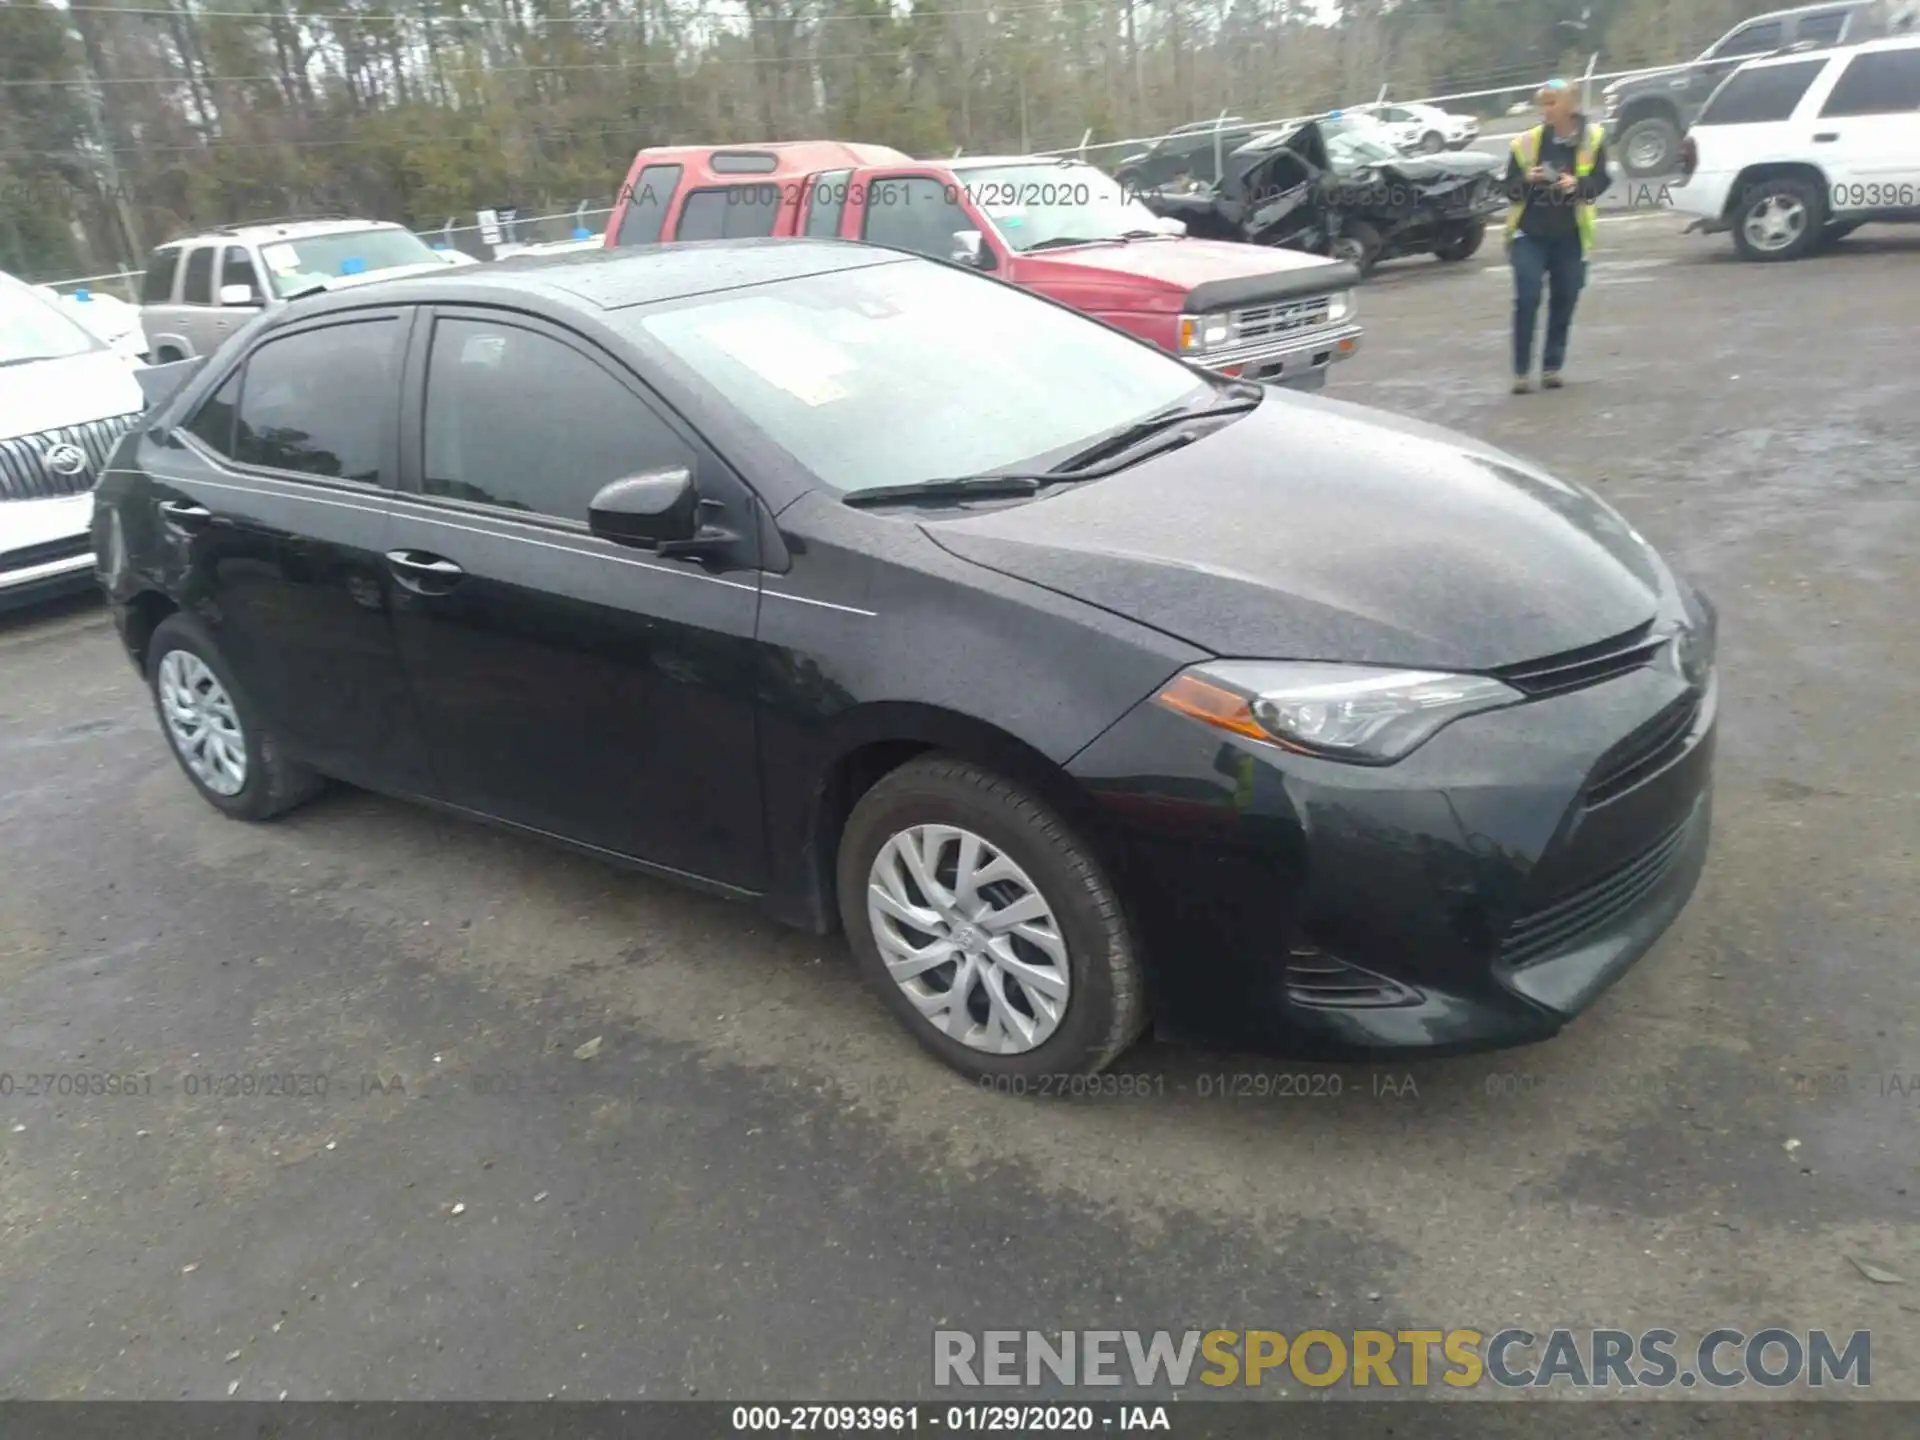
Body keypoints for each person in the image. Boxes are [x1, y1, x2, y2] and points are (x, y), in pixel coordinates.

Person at [1503, 79, 1610, 393]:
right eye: (1543, 103)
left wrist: (1577, 185)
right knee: (1528, 296)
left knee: (1565, 298)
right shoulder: (1526, 143)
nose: (1546, 110)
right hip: (1529, 233)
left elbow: (1602, 181)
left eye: (1552, 103)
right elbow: (1508, 190)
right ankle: (1521, 372)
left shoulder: (1594, 138)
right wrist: (1527, 178)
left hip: (1570, 234)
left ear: (1571, 106)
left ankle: (1551, 367)